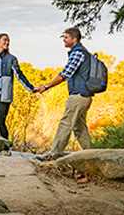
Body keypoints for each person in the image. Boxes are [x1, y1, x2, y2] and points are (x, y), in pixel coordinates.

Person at [36, 27, 94, 161]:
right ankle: (91, 155)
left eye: (66, 37)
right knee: (79, 128)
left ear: (74, 39)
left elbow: (65, 74)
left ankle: (54, 154)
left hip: (78, 96)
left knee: (66, 123)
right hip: (84, 96)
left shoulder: (78, 53)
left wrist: (47, 86)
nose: (64, 40)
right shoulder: (82, 52)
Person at [0, 33, 38, 146]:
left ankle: (6, 147)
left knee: (0, 122)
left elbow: (19, 75)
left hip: (3, 96)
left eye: (8, 41)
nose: (7, 42)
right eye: (4, 40)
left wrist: (31, 88)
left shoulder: (11, 59)